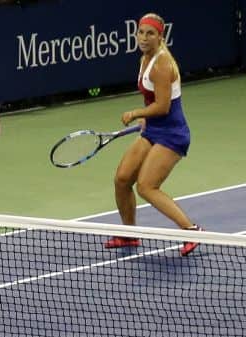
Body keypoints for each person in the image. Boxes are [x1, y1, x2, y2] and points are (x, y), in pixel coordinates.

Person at [107, 12, 202, 257]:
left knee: (147, 186)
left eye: (150, 33)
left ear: (161, 36)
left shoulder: (162, 64)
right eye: (141, 32)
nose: (144, 38)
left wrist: (136, 113)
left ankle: (191, 230)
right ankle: (129, 235)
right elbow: (154, 102)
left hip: (172, 134)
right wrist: (145, 119)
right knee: (122, 178)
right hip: (153, 129)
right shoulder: (144, 59)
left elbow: (163, 106)